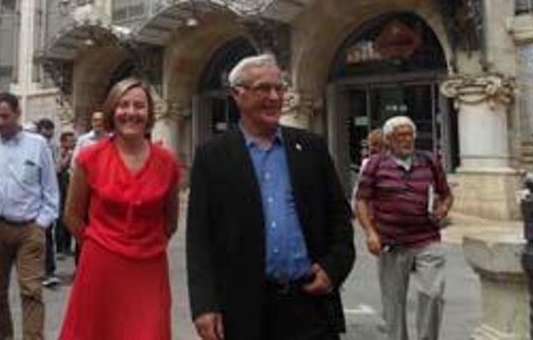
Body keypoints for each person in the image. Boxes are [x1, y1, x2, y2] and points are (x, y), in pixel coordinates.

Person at [186, 54, 355, 340]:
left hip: (310, 302)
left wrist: (332, 270)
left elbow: (340, 220)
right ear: (237, 95)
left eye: (279, 88)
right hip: (244, 307)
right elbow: (199, 239)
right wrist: (204, 306)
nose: (274, 97)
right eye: (263, 88)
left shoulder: (311, 147)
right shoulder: (212, 156)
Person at [60, 78, 180, 340]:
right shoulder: (90, 158)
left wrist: (145, 244)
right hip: (100, 267)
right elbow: (72, 216)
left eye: (139, 106)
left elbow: (170, 221)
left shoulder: (167, 162)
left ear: (149, 113)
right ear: (112, 110)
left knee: (149, 331)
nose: (131, 113)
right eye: (123, 105)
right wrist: (99, 243)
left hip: (149, 269)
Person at [355, 116, 453, 340]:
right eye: (401, 136)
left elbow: (446, 194)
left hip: (427, 237)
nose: (407, 140)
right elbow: (361, 200)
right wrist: (370, 232)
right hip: (391, 242)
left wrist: (443, 209)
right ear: (389, 139)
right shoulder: (375, 164)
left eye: (410, 135)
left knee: (433, 293)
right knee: (394, 301)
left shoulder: (429, 161)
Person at [0, 92, 59, 340]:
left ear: (17, 114)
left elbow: (50, 190)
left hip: (29, 229)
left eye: (5, 116)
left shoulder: (38, 145)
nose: (1, 122)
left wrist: (40, 225)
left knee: (31, 291)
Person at [35, 118, 61, 287]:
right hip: (34, 201)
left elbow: (55, 172)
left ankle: (48, 271)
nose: (48, 138)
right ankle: (39, 271)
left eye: (50, 135)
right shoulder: (33, 147)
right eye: (45, 134)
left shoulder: (53, 147)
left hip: (48, 199)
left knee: (47, 237)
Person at [54, 131, 76, 257]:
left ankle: (67, 246)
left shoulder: (75, 152)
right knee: (61, 217)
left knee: (69, 216)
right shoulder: (60, 152)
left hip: (70, 186)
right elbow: (58, 168)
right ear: (63, 142)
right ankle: (60, 247)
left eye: (73, 140)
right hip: (61, 186)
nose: (73, 143)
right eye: (70, 140)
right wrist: (68, 157)